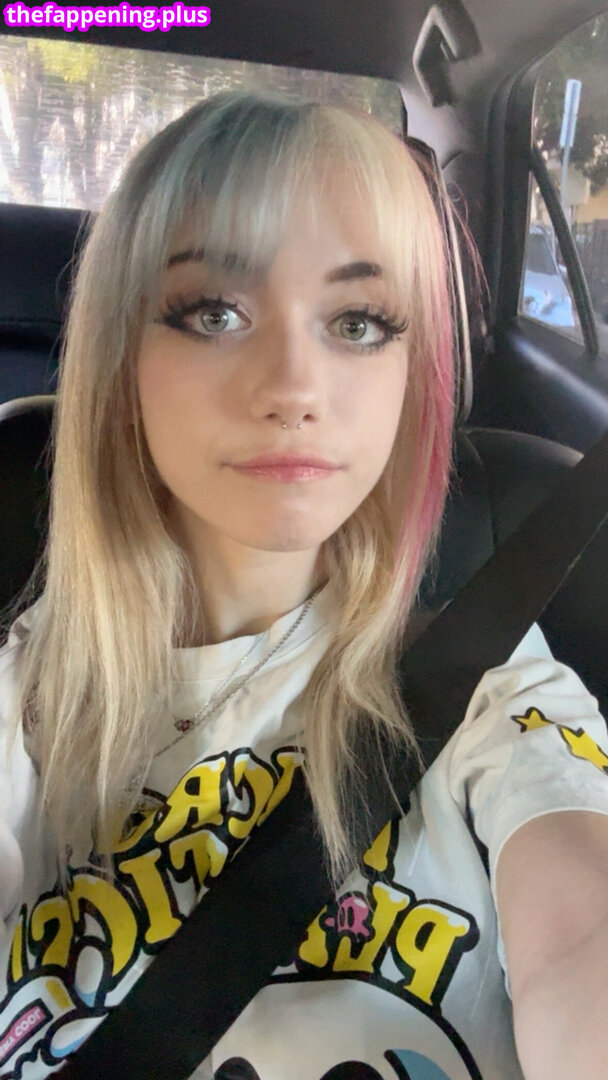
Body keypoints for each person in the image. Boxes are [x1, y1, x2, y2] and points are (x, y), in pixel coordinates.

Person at [0, 90, 607, 1080]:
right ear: (122, 357)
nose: (292, 386)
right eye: (213, 312)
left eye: (359, 321)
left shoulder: (490, 687)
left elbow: (582, 935)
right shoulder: (25, 695)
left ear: (412, 371)